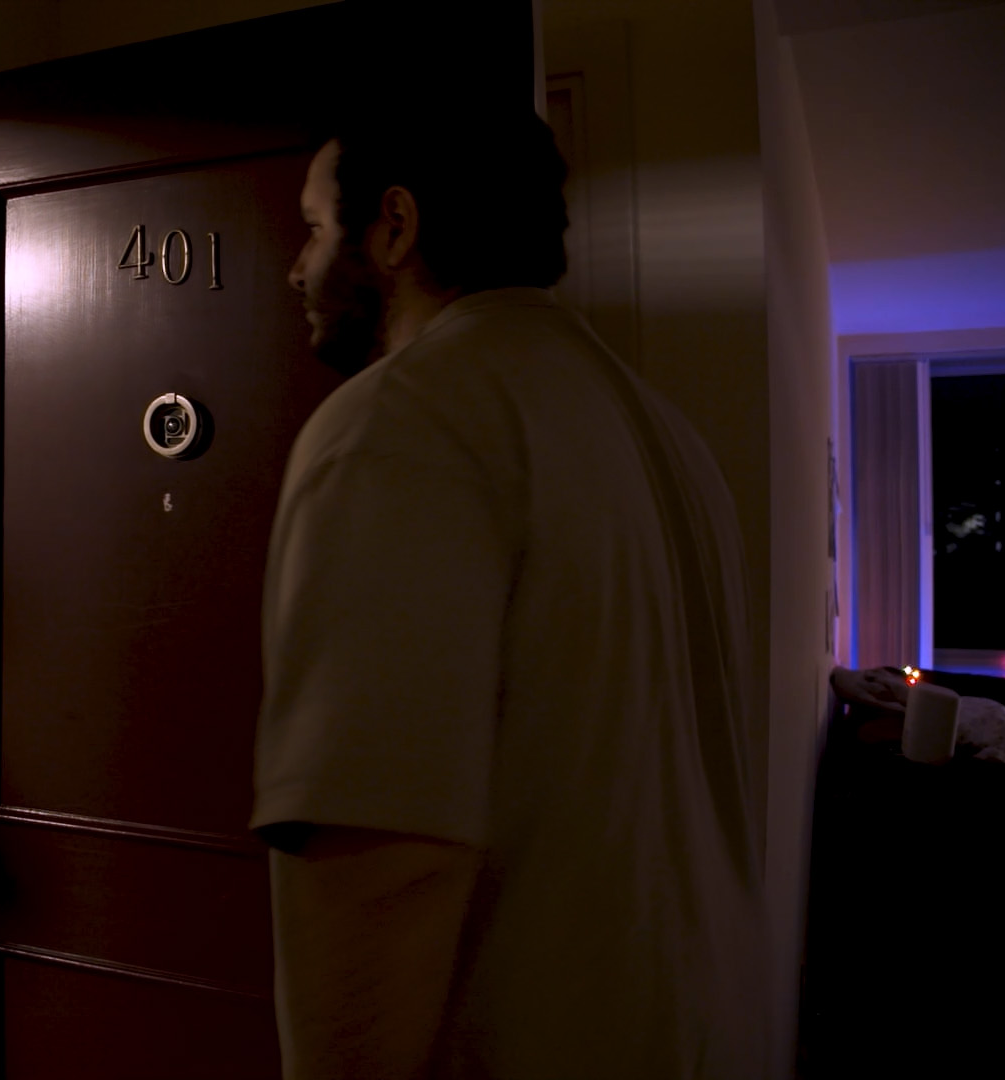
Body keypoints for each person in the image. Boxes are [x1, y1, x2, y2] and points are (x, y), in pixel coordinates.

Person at [251, 108, 768, 1078]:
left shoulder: (400, 422)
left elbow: (384, 872)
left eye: (315, 228)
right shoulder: (669, 438)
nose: (296, 267)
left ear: (395, 227)